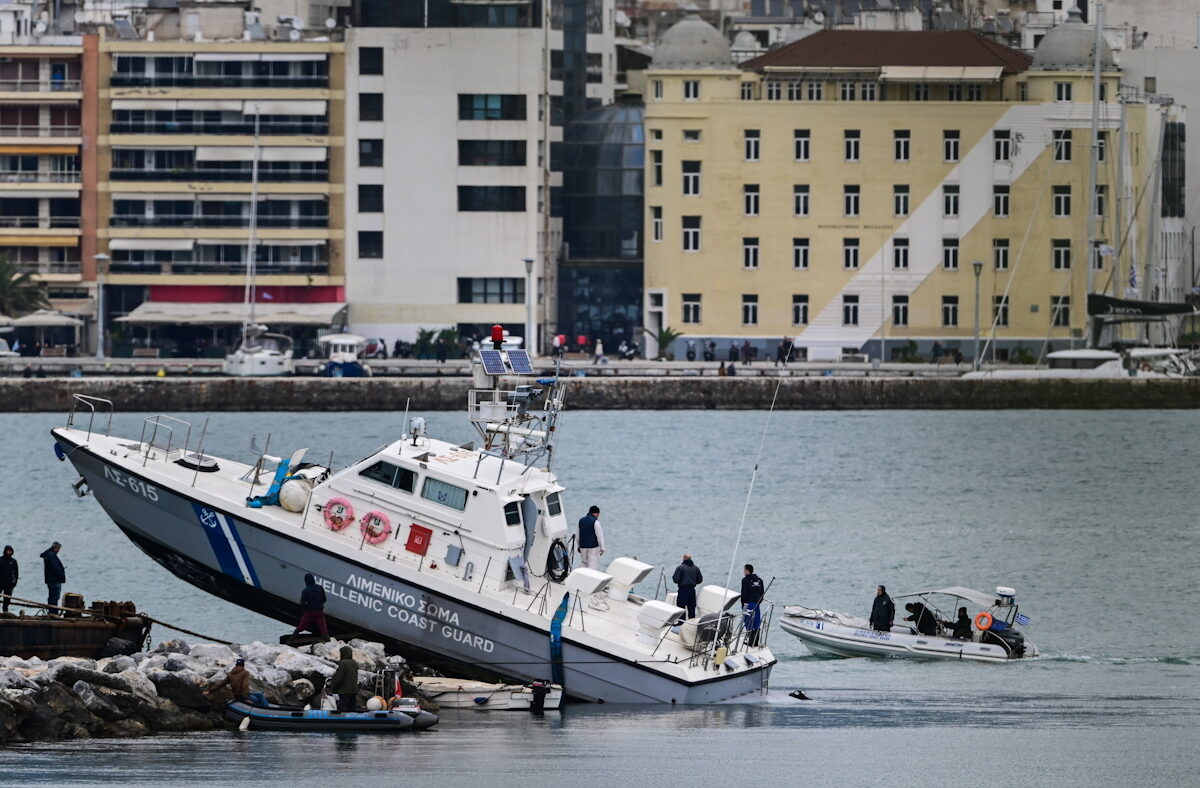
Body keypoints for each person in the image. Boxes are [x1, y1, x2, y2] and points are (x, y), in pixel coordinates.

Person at [293, 573, 329, 638]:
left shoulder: (305, 591)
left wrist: (305, 609)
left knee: (300, 627)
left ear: (306, 581)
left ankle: (291, 640)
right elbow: (324, 599)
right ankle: (328, 642)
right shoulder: (320, 588)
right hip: (319, 612)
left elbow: (302, 603)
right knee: (323, 629)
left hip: (309, 612)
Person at [740, 564, 765, 646]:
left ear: (747, 570)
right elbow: (762, 593)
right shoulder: (759, 580)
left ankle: (750, 641)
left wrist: (743, 605)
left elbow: (744, 593)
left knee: (748, 622)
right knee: (756, 622)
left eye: (744, 570)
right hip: (757, 604)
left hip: (748, 604)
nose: (743, 572)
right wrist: (758, 601)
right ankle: (756, 642)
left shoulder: (745, 580)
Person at [331, 644, 359, 712]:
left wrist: (334, 686)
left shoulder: (343, 663)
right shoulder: (354, 663)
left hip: (344, 690)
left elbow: (339, 677)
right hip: (353, 690)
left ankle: (343, 722)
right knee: (352, 708)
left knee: (343, 708)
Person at [40, 542, 65, 610]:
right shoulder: (51, 555)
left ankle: (52, 611)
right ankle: (53, 612)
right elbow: (55, 568)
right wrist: (61, 576)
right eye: (58, 549)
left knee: (52, 597)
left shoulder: (48, 555)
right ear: (55, 548)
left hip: (50, 580)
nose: (58, 550)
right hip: (54, 580)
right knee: (55, 597)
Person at [0, 546, 17, 614]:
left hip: (9, 584)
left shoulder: (13, 561)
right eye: (8, 551)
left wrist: (14, 583)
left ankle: (5, 611)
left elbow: (16, 573)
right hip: (0, 583)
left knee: (7, 599)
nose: (9, 552)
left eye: (10, 551)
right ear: (5, 551)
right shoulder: (0, 560)